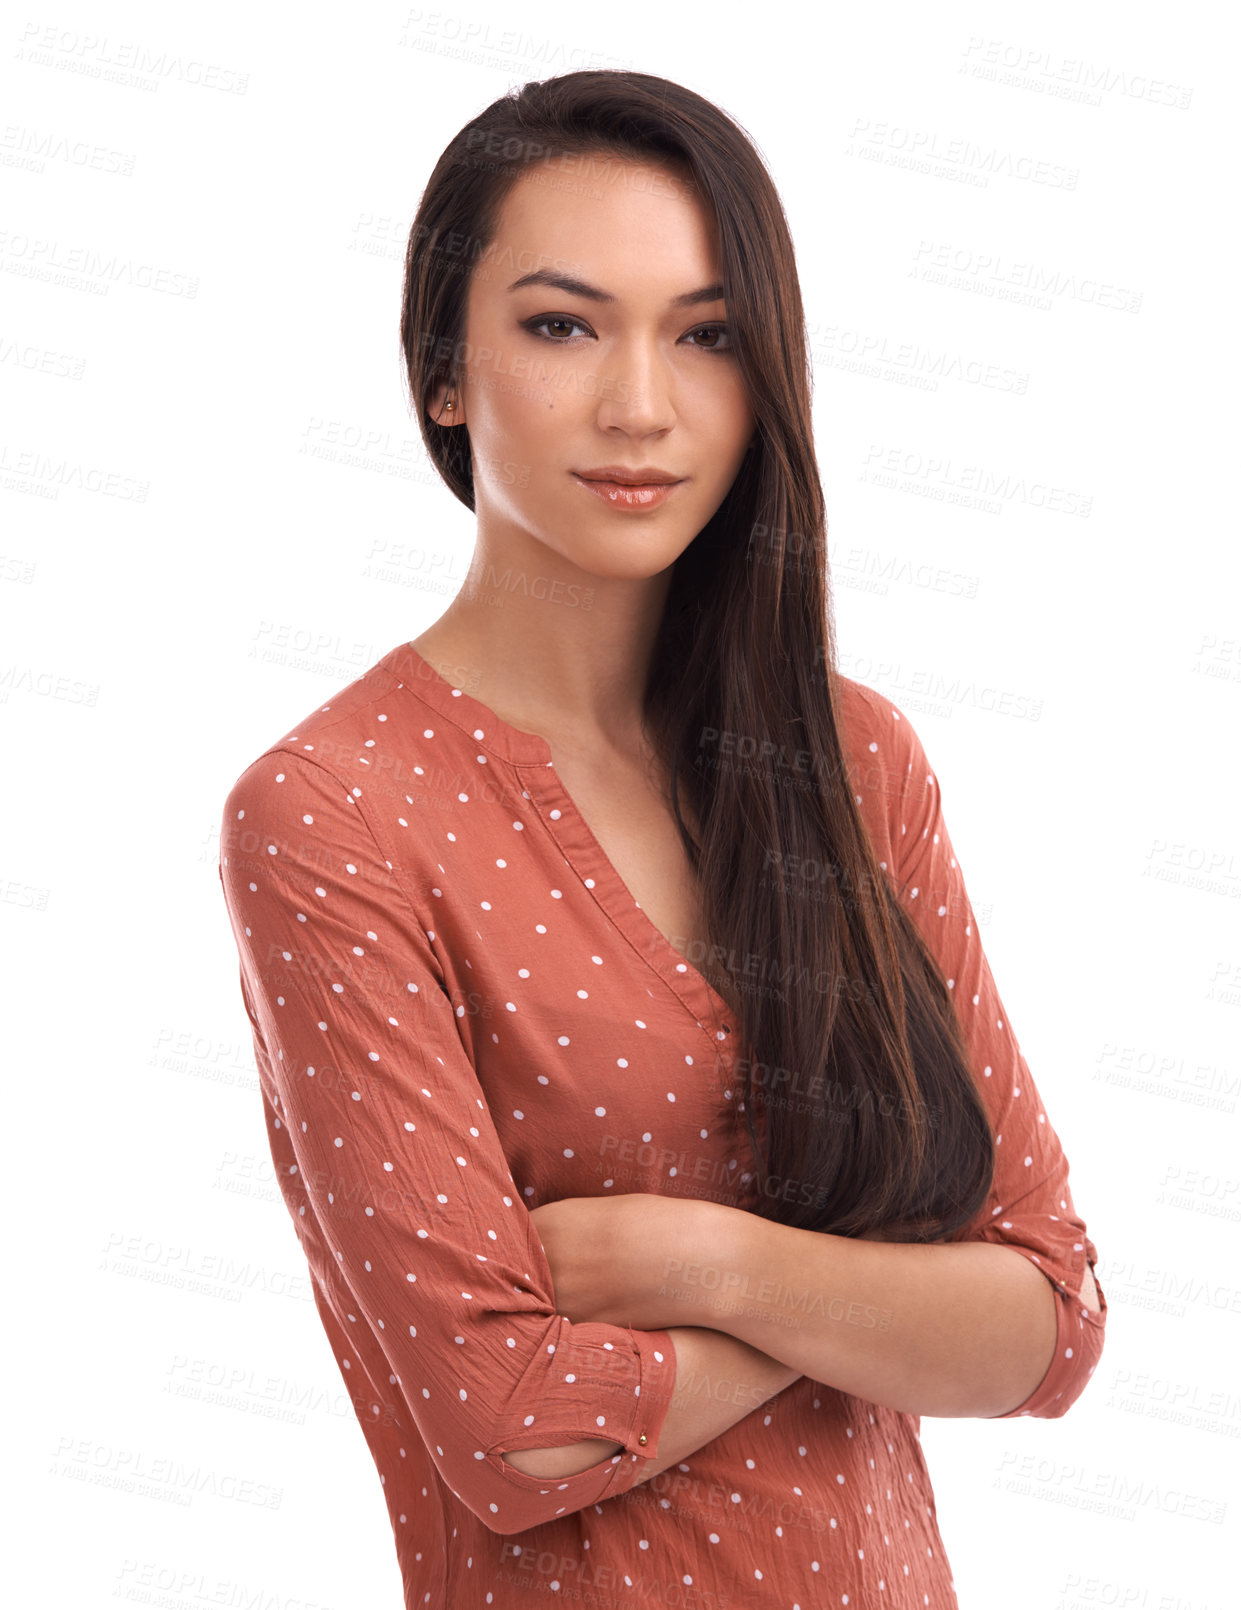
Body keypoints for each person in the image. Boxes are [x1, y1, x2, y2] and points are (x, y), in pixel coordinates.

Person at [218, 68, 1107, 1610]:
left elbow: (1049, 1319)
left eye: (705, 335)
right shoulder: (333, 812)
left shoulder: (851, 759)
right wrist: (879, 1301)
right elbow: (509, 1433)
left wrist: (706, 1268)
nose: (643, 404)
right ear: (442, 368)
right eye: (562, 324)